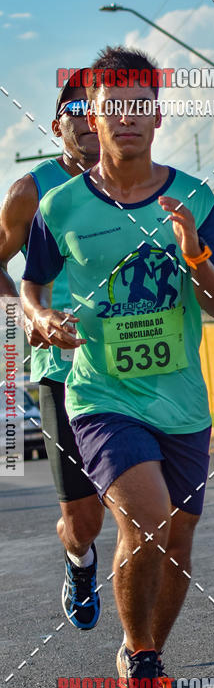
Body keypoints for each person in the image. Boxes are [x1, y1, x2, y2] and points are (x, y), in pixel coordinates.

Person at [21, 45, 214, 688]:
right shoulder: (57, 206)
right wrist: (41, 317)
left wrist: (193, 250)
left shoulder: (194, 197)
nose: (128, 118)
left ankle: (144, 649)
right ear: (96, 115)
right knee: (146, 519)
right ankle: (143, 665)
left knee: (180, 540)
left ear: (158, 116)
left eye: (142, 106)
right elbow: (31, 283)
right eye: (115, 107)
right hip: (100, 394)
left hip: (182, 400)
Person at [0, 73, 105, 630]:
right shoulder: (30, 191)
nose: (89, 119)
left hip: (130, 368)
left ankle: (141, 648)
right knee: (84, 518)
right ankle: (79, 559)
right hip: (61, 367)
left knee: (142, 503)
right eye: (76, 109)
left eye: (100, 108)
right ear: (56, 123)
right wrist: (26, 317)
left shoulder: (136, 185)